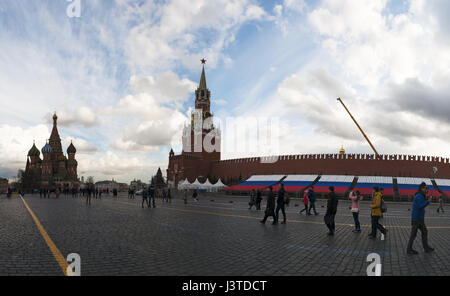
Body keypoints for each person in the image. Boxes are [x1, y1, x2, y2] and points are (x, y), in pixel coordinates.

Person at [407, 182, 434, 254]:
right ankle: (409, 249)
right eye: (425, 188)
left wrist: (427, 200)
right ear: (421, 188)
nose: (427, 189)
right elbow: (420, 206)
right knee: (414, 234)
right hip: (417, 219)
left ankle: (426, 248)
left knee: (424, 232)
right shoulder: (419, 196)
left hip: (419, 219)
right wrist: (428, 201)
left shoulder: (421, 195)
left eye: (427, 188)